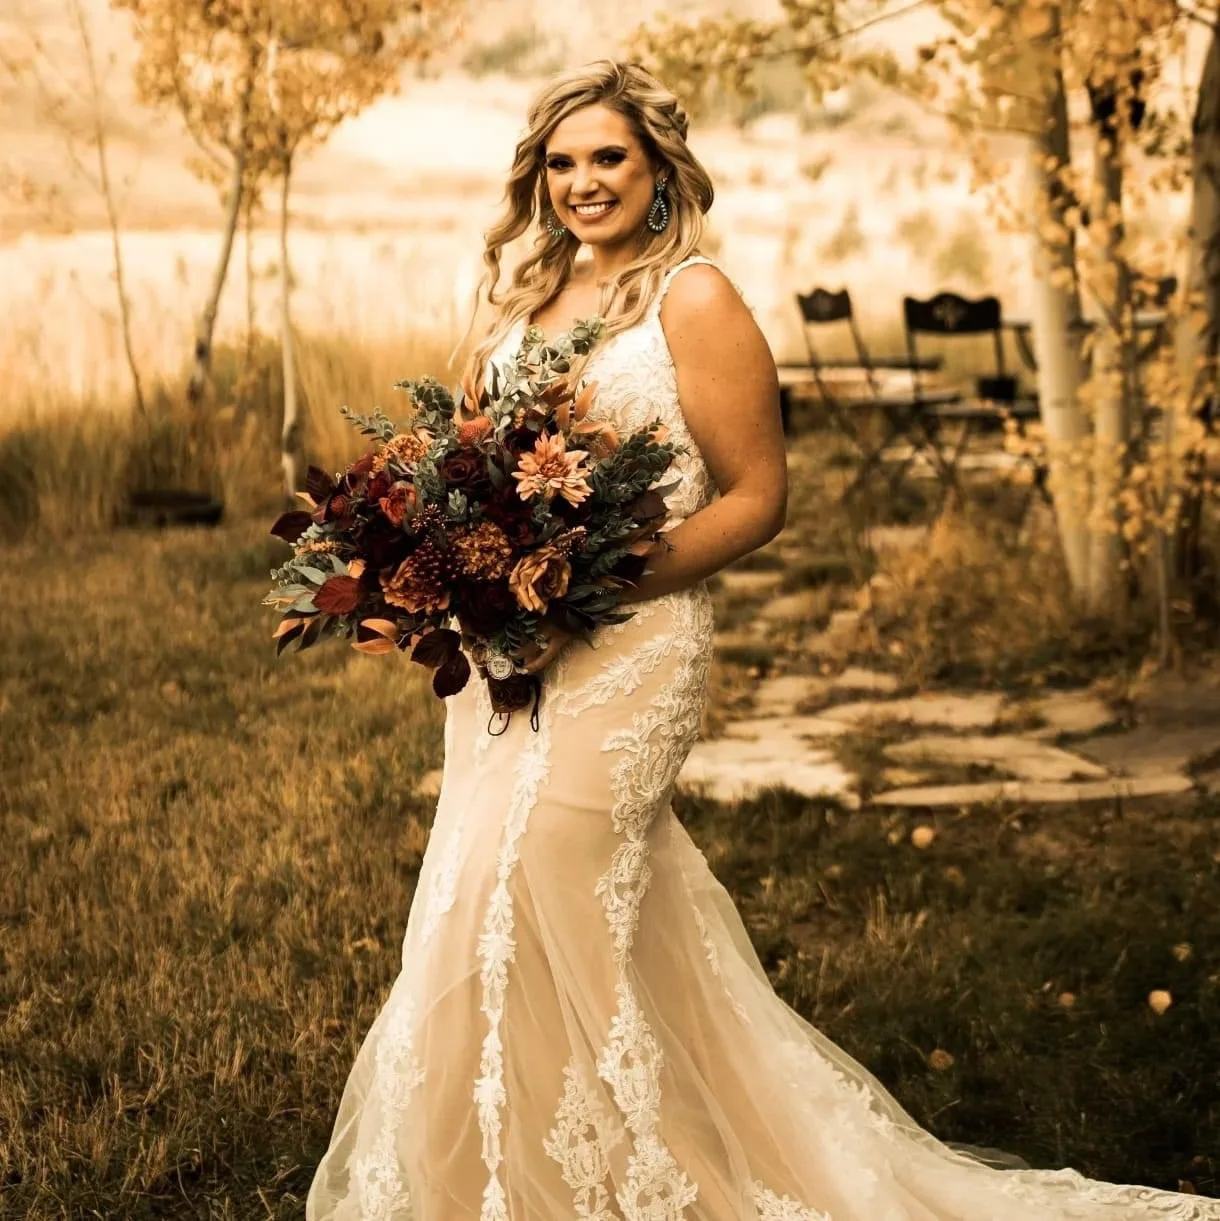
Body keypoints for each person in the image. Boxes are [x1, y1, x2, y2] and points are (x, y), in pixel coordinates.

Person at [306, 60, 1217, 1221]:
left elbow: (755, 497)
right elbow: (468, 475)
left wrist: (583, 583)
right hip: (503, 664)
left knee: (547, 886)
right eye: (564, 162)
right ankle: (506, 1173)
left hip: (630, 652)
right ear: (536, 178)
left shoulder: (694, 298)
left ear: (656, 171)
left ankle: (644, 1178)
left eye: (609, 159)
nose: (585, 183)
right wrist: (452, 571)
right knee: (485, 900)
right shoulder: (513, 305)